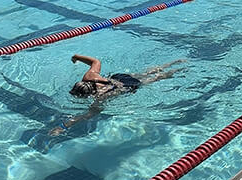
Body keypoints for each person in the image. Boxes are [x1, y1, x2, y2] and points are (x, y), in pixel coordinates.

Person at [53, 55, 186, 134]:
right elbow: (96, 62)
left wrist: (63, 126)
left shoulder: (100, 97)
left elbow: (88, 115)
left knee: (154, 79)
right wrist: (77, 57)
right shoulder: (89, 76)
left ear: (88, 95)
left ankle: (178, 70)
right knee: (146, 73)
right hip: (119, 77)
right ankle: (175, 62)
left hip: (127, 86)